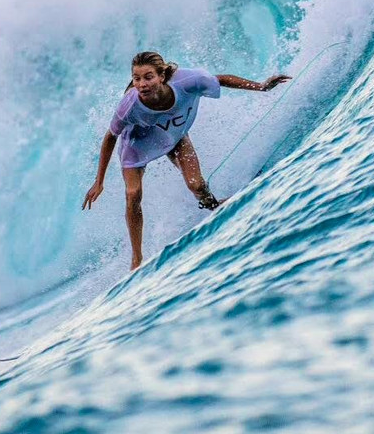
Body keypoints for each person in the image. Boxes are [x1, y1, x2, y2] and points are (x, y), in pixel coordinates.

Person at [82, 51, 291, 270]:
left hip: (174, 137)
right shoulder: (129, 105)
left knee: (197, 185)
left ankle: (215, 206)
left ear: (161, 76)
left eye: (148, 77)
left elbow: (220, 79)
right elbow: (110, 137)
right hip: (137, 145)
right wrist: (99, 181)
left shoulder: (186, 82)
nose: (142, 84)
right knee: (133, 194)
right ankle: (136, 259)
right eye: (137, 78)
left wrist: (261, 86)